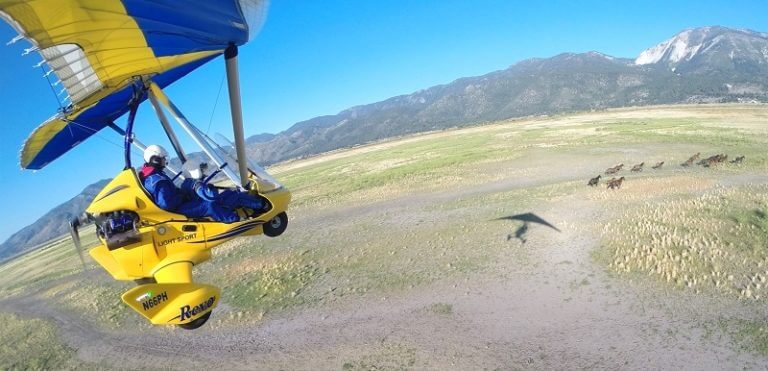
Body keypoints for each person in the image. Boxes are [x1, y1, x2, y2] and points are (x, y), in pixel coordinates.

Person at [139, 145, 269, 223]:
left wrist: (184, 194)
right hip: (176, 211)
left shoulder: (155, 175)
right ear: (155, 159)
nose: (164, 161)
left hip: (180, 205)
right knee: (209, 205)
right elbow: (166, 204)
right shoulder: (156, 179)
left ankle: (260, 205)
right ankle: (236, 221)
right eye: (162, 159)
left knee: (227, 195)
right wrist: (182, 196)